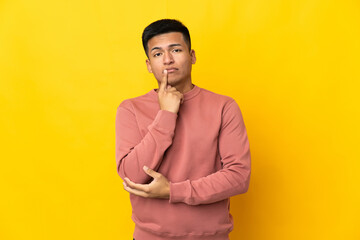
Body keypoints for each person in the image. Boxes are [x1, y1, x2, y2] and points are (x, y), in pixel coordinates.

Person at [115, 19, 251, 240]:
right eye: (158, 54)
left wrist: (173, 191)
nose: (168, 60)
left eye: (176, 50)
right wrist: (166, 115)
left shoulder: (224, 107)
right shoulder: (130, 109)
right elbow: (132, 176)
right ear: (149, 65)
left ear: (192, 56)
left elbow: (238, 176)